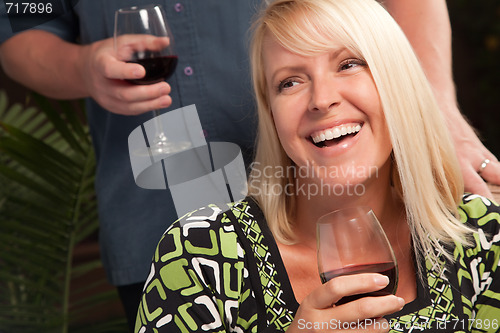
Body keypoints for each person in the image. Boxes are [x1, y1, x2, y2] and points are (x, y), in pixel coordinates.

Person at [1, 0, 499, 330]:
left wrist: (437, 114)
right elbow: (24, 17)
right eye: (290, 82)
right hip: (163, 214)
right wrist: (82, 65)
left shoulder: (482, 243)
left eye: (349, 64)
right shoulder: (192, 260)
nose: (323, 98)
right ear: (269, 102)